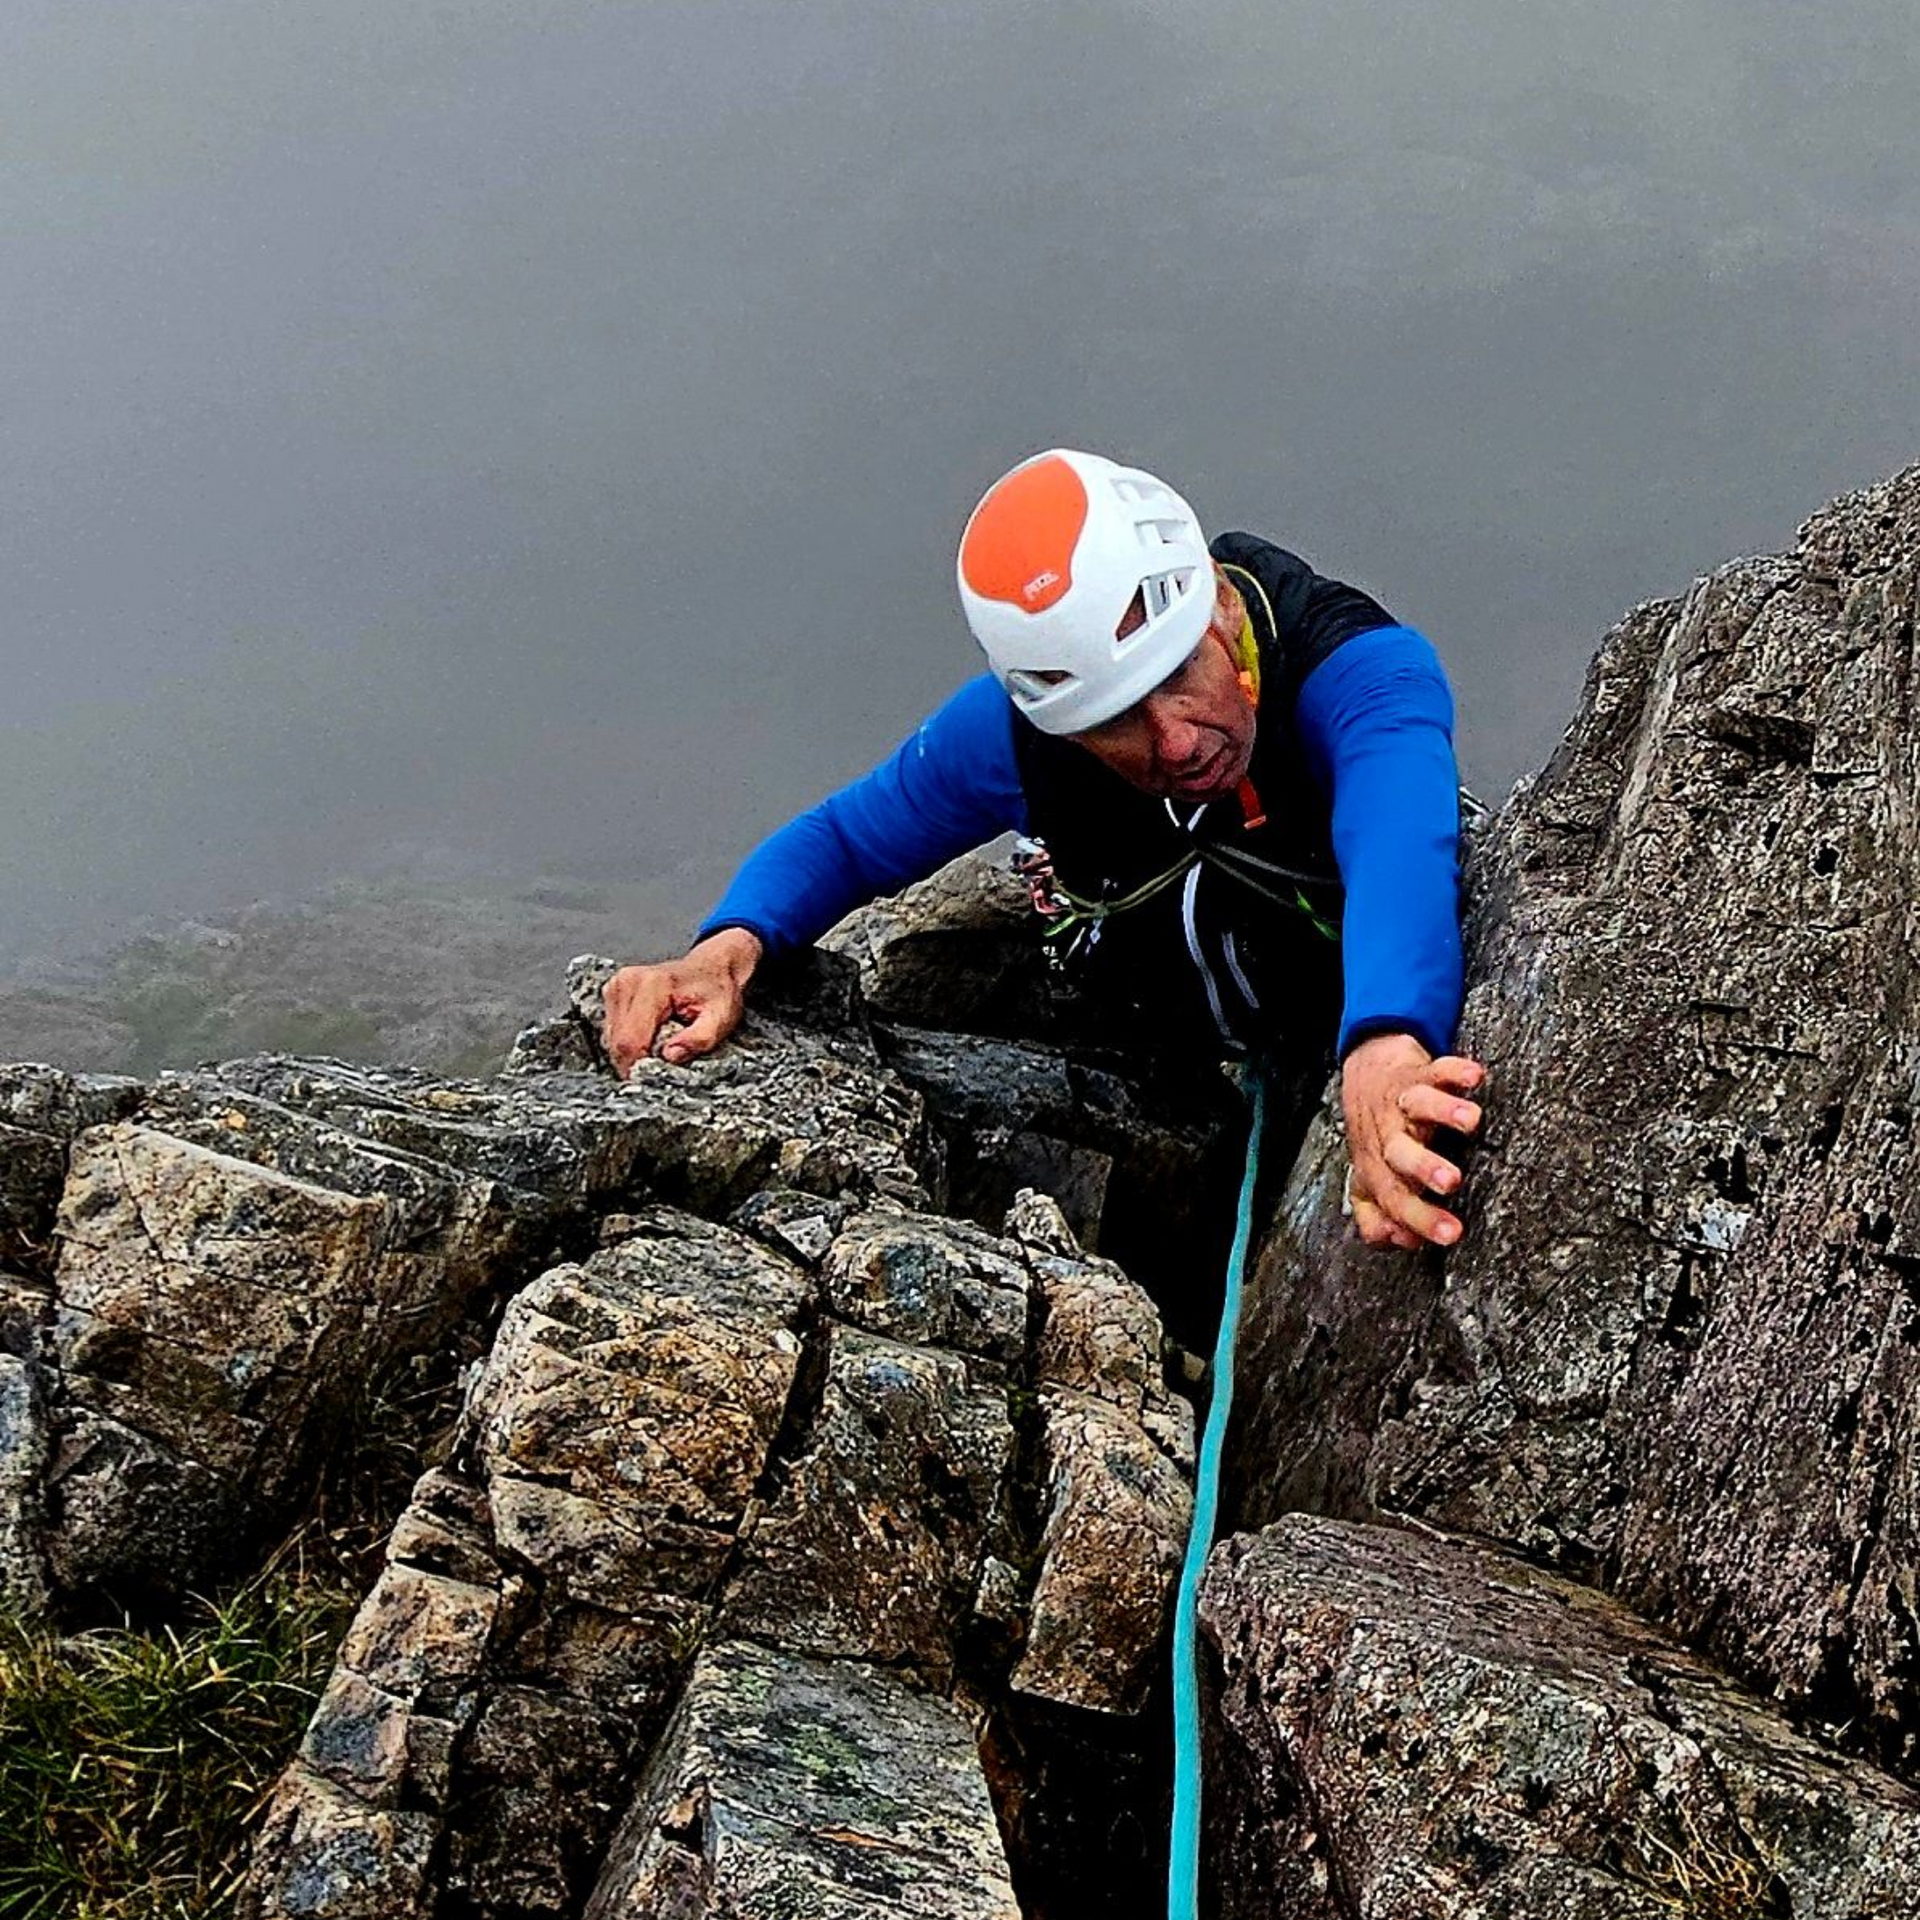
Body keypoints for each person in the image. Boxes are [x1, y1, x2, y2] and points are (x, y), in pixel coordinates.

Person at [604, 449, 1485, 1252]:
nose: (1174, 742)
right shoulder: (1020, 737)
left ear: (1219, 603)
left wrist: (1386, 1040)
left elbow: (1397, 838)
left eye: (1178, 675)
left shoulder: (1359, 668)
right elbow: (845, 838)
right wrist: (724, 951)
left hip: (1328, 1000)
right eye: (1113, 722)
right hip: (1157, 1049)